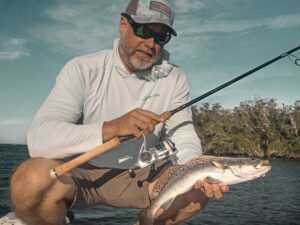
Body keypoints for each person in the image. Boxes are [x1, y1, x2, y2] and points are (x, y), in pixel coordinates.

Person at [9, 0, 228, 224]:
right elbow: (39, 138)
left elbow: (183, 134)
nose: (150, 43)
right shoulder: (83, 68)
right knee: (29, 181)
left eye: (161, 37)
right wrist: (111, 128)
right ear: (123, 24)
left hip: (145, 173)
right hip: (83, 170)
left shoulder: (175, 78)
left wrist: (196, 168)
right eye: (143, 31)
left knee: (196, 193)